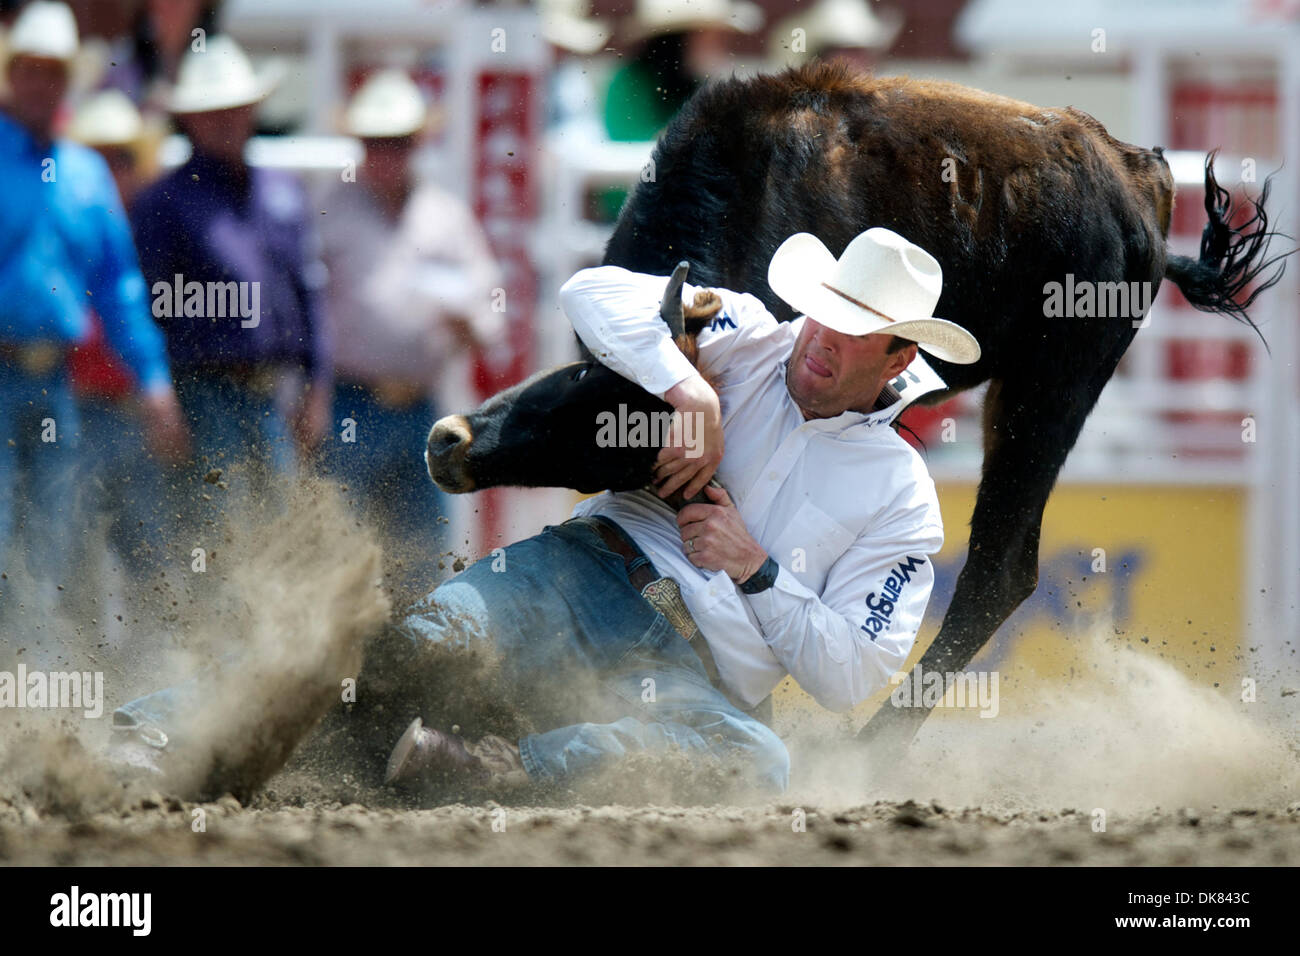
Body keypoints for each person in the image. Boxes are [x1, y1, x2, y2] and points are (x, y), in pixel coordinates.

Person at [382, 226, 981, 794]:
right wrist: (690, 393)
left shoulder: (902, 495)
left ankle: (499, 771)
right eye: (827, 312)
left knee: (758, 762)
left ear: (899, 360)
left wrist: (756, 569)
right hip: (587, 576)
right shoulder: (744, 332)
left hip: (688, 681)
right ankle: (448, 750)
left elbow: (851, 673)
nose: (825, 336)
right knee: (410, 648)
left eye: (857, 331)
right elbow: (588, 292)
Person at [0, 1, 185, 600]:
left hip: (56, 382)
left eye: (52, 70)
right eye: (30, 68)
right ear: (13, 72)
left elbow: (119, 287)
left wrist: (153, 382)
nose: (40, 81)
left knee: (50, 549)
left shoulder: (85, 174)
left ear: (65, 80)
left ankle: (30, 686)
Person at [130, 35, 330, 536]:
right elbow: (144, 307)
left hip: (271, 392)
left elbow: (309, 293)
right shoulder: (164, 204)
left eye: (236, 108)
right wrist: (158, 395)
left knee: (276, 531)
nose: (226, 119)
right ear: (190, 119)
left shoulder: (282, 191)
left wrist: (317, 385)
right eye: (213, 110)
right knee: (215, 531)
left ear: (253, 110)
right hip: (202, 391)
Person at [315, 69, 503, 601]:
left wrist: (467, 321)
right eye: (377, 144)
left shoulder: (445, 217)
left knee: (420, 554)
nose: (386, 155)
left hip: (422, 407)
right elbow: (304, 314)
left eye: (396, 143)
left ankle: (407, 672)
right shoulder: (330, 211)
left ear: (416, 145)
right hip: (349, 404)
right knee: (341, 554)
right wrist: (306, 398)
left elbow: (490, 312)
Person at [65, 88, 172, 589]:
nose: (111, 172)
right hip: (73, 414)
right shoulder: (64, 228)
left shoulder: (160, 232)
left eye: (121, 159)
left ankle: (152, 667)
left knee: (153, 562)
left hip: (136, 416)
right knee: (70, 562)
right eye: (98, 159)